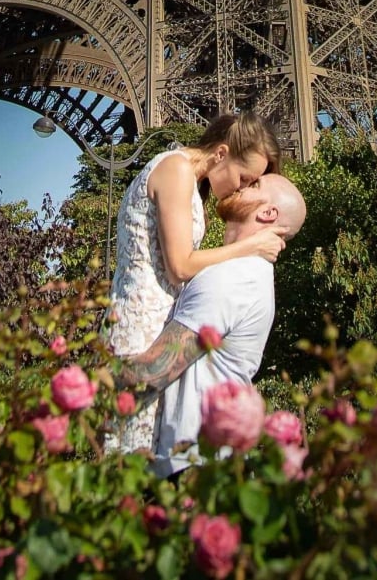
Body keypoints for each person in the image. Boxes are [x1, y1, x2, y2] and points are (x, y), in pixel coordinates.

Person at [103, 111, 285, 455]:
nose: (242, 188)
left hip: (155, 326)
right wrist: (249, 246)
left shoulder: (186, 177)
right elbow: (180, 266)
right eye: (245, 178)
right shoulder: (177, 169)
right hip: (141, 329)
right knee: (126, 463)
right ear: (221, 153)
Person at [115, 173, 307, 477]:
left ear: (267, 213)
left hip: (196, 469)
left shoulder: (234, 277)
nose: (240, 183)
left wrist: (84, 387)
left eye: (253, 185)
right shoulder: (239, 270)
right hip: (202, 463)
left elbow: (153, 373)